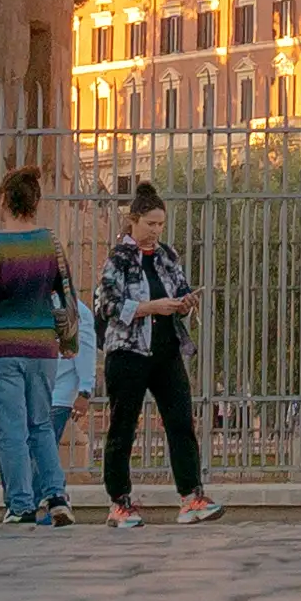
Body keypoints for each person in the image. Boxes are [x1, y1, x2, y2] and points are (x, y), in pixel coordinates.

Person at [95, 185, 217, 528]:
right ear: (134, 220)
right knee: (123, 426)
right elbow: (107, 305)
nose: (155, 231)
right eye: (150, 224)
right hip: (128, 352)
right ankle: (119, 502)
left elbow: (179, 287)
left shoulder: (167, 255)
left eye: (160, 224)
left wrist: (185, 303)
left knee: (181, 421)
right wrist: (149, 307)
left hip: (166, 350)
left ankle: (191, 495)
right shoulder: (118, 258)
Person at [0, 168, 75, 526]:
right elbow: (66, 294)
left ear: (2, 200)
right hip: (43, 348)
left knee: (10, 430)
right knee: (41, 424)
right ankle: (57, 497)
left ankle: (21, 504)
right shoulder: (50, 243)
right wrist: (70, 341)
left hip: (0, 350)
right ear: (36, 202)